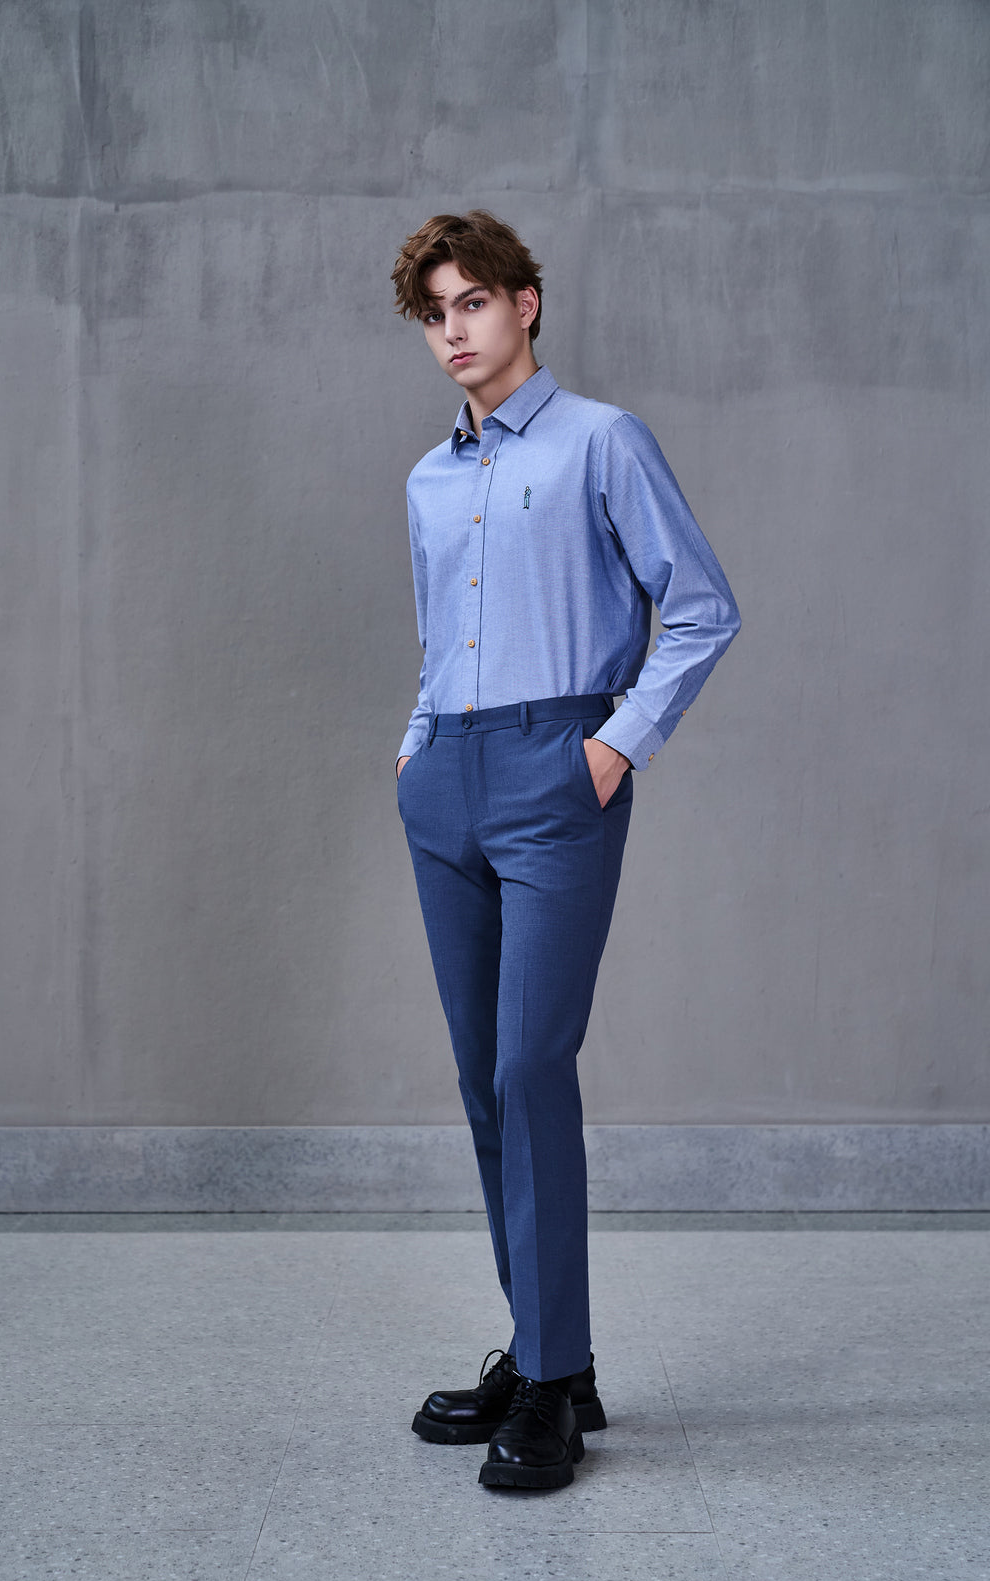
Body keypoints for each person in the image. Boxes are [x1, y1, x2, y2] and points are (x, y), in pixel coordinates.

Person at [391, 210, 740, 1491]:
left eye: (472, 302)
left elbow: (701, 608)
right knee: (484, 1081)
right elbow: (438, 640)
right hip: (447, 781)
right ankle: (552, 1355)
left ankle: (551, 1385)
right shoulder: (428, 482)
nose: (454, 331)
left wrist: (614, 746)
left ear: (525, 303)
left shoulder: (603, 440)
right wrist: (415, 752)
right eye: (434, 314)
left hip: (558, 768)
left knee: (533, 1062)